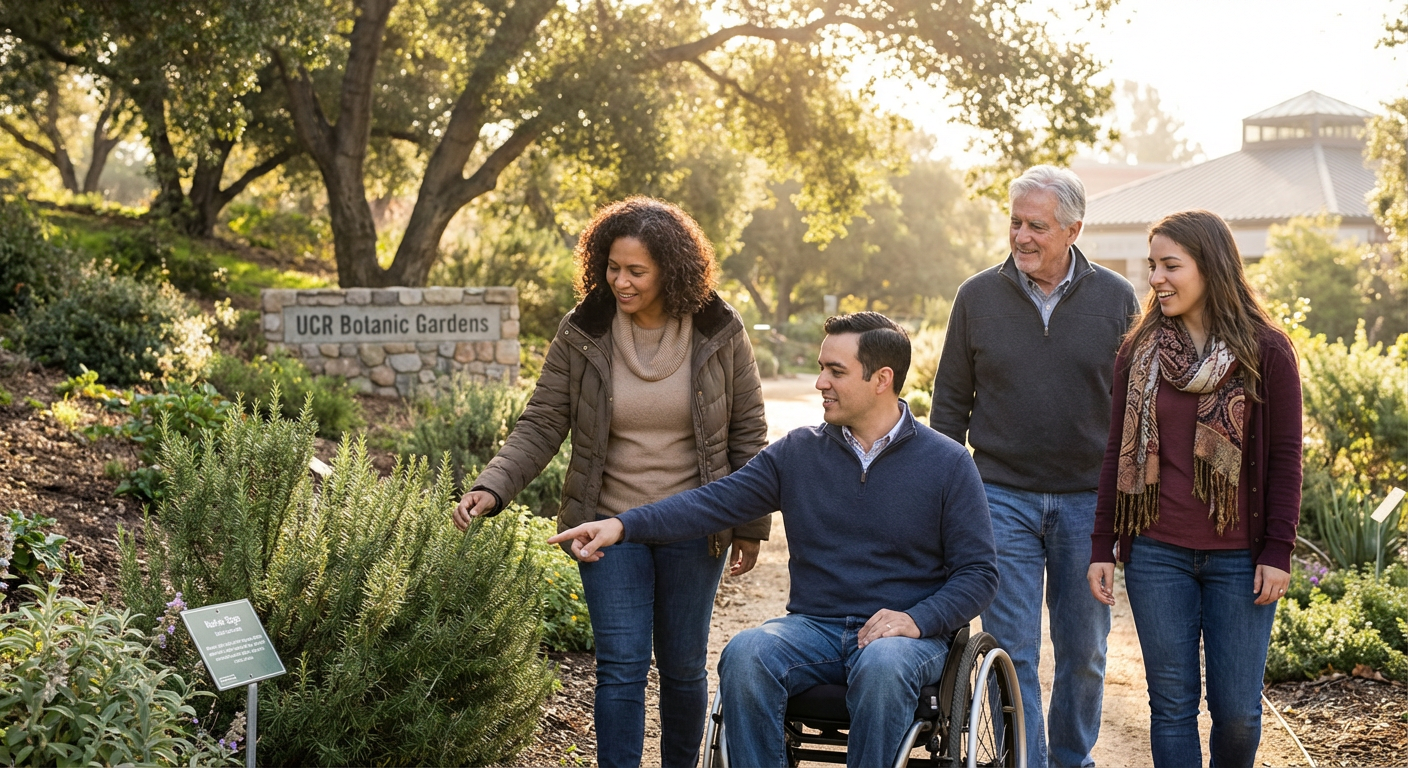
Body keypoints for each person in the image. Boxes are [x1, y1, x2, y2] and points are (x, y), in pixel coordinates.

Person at [550, 312, 999, 768]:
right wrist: (622, 525)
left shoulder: (947, 463)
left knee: (884, 665)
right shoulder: (799, 453)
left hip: (906, 639)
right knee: (746, 653)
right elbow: (710, 503)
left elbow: (979, 574)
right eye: (821, 368)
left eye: (836, 371)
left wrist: (916, 619)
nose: (820, 382)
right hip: (815, 628)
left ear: (882, 379)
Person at [452, 196, 771, 768]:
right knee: (621, 666)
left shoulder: (718, 329)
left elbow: (748, 431)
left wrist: (749, 524)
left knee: (683, 666)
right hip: (606, 524)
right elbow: (543, 421)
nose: (620, 282)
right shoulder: (585, 330)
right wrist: (492, 487)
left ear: (671, 270)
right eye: (612, 267)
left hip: (695, 524)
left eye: (636, 271)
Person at [930, 164, 1139, 768]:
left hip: (1087, 503)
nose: (1021, 236)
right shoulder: (976, 297)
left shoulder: (1117, 299)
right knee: (1010, 650)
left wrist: (1125, 505)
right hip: (1000, 496)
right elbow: (950, 403)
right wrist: (939, 497)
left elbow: (1135, 410)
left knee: (1084, 652)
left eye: (1037, 226)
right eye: (1015, 222)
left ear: (1073, 230)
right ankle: (1026, 760)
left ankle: (1072, 759)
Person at [1087, 210, 1302, 767]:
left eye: (1170, 265)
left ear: (1210, 267)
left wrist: (1278, 550)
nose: (1155, 278)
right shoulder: (1139, 353)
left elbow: (1285, 458)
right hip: (1157, 552)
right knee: (1172, 707)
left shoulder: (1266, 351)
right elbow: (1116, 452)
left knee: (1239, 713)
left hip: (1241, 559)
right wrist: (1102, 544)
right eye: (1153, 265)